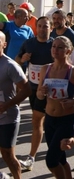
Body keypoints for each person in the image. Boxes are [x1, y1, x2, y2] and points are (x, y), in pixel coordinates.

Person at [36, 36, 74, 179]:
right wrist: (41, 92)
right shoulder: (46, 69)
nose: (55, 50)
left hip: (66, 119)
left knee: (51, 160)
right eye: (54, 46)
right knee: (60, 158)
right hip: (49, 119)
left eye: (60, 47)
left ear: (68, 51)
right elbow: (39, 95)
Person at [15, 16, 54, 171]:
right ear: (36, 27)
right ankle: (33, 157)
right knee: (38, 121)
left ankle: (38, 155)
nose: (43, 29)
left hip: (51, 89)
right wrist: (22, 58)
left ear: (50, 28)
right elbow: (17, 59)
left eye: (46, 26)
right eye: (40, 26)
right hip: (33, 88)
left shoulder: (55, 45)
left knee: (43, 121)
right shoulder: (29, 43)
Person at [0, 31, 32, 179]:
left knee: (7, 154)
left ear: (4, 44)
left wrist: (7, 105)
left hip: (7, 117)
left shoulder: (10, 65)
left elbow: (26, 89)